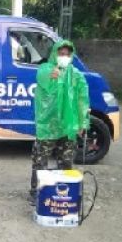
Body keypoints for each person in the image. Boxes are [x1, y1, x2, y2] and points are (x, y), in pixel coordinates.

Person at [29, 39, 89, 205]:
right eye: (61, 54)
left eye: (67, 54)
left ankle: (63, 193)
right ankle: (36, 192)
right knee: (40, 161)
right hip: (48, 124)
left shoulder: (77, 75)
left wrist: (82, 123)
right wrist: (54, 76)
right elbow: (46, 81)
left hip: (68, 126)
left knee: (66, 161)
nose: (64, 57)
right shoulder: (45, 69)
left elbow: (83, 100)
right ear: (55, 54)